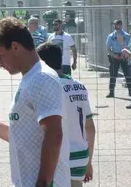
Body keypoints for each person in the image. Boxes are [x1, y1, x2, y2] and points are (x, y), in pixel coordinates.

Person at [0, 17, 70, 187]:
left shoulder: (41, 78)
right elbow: (20, 136)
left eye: (0, 56)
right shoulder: (30, 78)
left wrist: (42, 183)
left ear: (15, 47)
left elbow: (54, 133)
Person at [36, 42, 95, 186]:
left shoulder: (49, 87)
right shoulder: (80, 87)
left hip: (59, 155)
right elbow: (90, 127)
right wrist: (89, 162)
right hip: (80, 156)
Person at [106, 19, 131, 98]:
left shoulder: (126, 36)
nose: (115, 26)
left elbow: (129, 46)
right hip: (115, 56)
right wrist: (113, 54)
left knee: (127, 74)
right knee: (113, 74)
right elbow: (108, 48)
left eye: (116, 24)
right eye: (114, 24)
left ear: (120, 25)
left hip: (124, 56)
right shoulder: (111, 36)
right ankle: (111, 92)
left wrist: (125, 54)